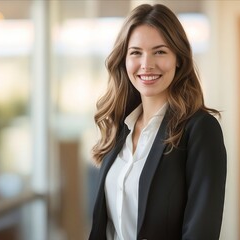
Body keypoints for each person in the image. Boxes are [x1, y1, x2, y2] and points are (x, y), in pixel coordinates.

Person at [88, 3, 226, 240]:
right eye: (136, 52)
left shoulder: (201, 130)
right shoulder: (118, 128)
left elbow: (201, 232)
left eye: (160, 51)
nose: (146, 64)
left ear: (178, 59)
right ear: (124, 59)